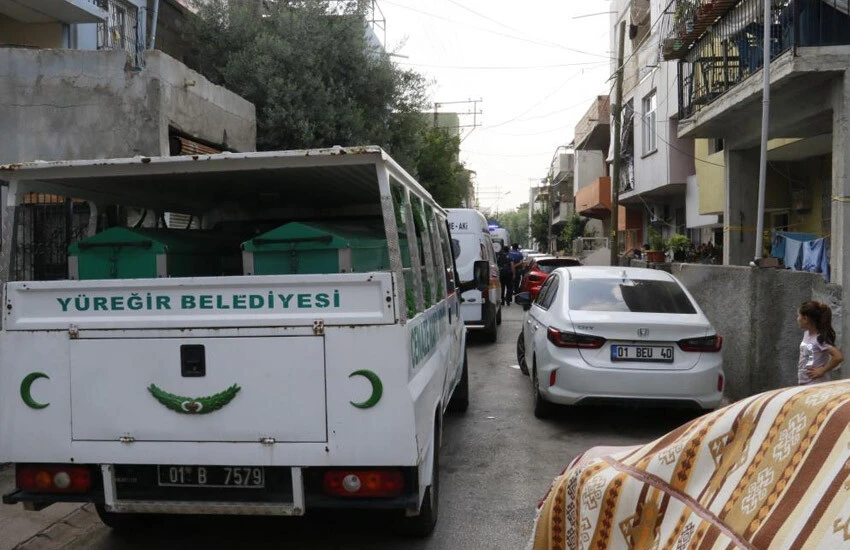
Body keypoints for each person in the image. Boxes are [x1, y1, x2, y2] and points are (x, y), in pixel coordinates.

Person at [796, 300, 844, 385]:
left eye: (798, 316)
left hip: (815, 384)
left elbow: (838, 357)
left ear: (805, 319)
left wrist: (822, 370)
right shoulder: (807, 334)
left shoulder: (819, 339)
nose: (797, 319)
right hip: (805, 383)